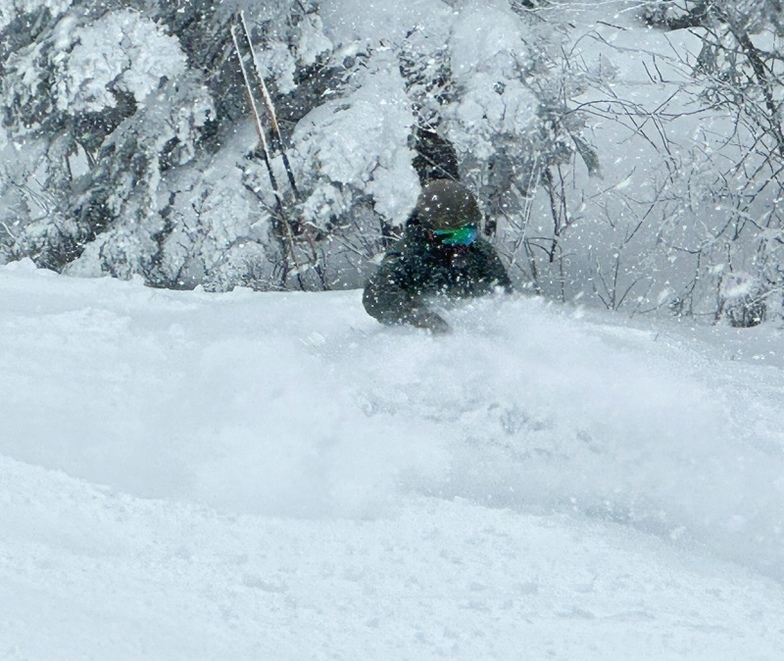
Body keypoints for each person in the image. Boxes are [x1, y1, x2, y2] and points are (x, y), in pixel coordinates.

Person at [363, 179, 512, 334]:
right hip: (420, 341)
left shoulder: (480, 252)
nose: (463, 243)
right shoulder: (406, 255)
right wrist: (419, 316)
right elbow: (376, 296)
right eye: (455, 235)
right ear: (431, 232)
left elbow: (504, 297)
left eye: (468, 234)